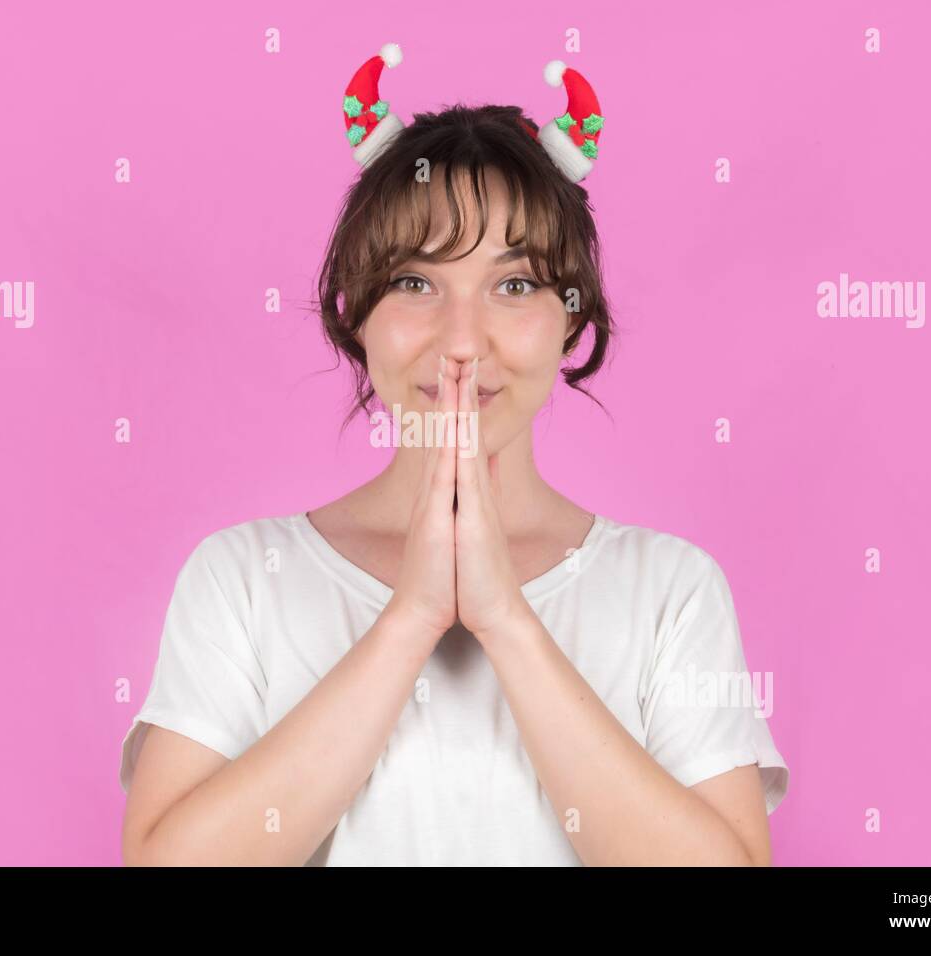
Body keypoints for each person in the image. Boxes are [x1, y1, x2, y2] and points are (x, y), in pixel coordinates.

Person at [118, 49, 789, 866]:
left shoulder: (672, 591)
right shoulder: (240, 578)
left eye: (514, 286)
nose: (463, 342)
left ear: (570, 320)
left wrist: (505, 616)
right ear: (354, 312)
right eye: (413, 282)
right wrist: (412, 617)